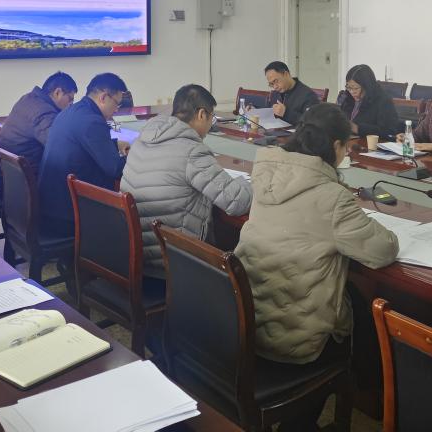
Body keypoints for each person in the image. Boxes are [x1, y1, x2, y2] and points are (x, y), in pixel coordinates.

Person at [235, 103, 398, 369]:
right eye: (346, 146)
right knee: (367, 308)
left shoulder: (267, 175)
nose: (346, 153)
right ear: (335, 146)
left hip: (246, 320)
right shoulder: (333, 198)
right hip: (296, 337)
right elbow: (383, 251)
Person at [121, 84, 251, 277]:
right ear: (201, 114)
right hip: (173, 260)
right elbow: (237, 202)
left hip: (137, 250)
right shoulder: (191, 151)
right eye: (212, 118)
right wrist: (251, 183)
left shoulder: (142, 138)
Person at [38, 72, 129, 236]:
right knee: (131, 216)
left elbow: (84, 144)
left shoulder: (71, 111)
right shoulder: (92, 121)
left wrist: (115, 144)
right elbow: (115, 169)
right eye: (117, 104)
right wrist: (138, 155)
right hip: (70, 213)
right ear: (103, 97)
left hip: (50, 203)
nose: (116, 110)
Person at [0, 71, 77, 197]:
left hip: (7, 180)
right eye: (70, 99)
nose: (71, 105)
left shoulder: (28, 99)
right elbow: (59, 147)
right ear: (57, 92)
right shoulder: (44, 113)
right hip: (24, 189)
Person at [337, 64, 398, 138]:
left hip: (370, 144)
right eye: (349, 87)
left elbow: (389, 132)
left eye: (356, 88)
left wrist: (357, 128)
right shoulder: (348, 98)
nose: (352, 92)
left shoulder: (383, 101)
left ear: (367, 86)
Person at [263, 60, 320, 126]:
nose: (275, 87)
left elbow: (311, 123)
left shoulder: (308, 96)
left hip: (297, 132)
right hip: (275, 131)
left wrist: (286, 113)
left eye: (276, 81)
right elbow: (268, 113)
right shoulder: (275, 93)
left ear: (286, 74)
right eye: (271, 84)